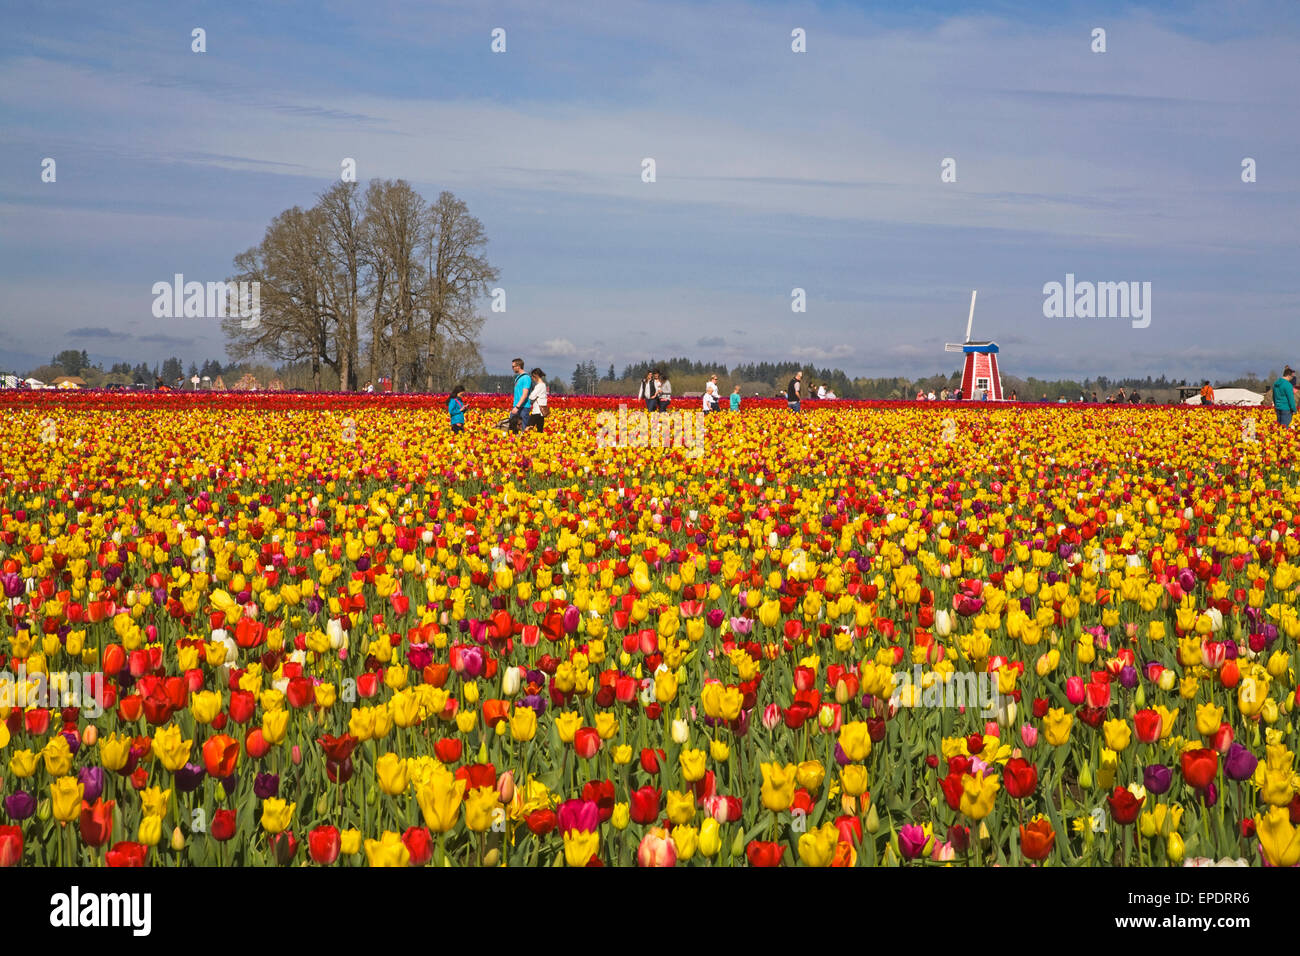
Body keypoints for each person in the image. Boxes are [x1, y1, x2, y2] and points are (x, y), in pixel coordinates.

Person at [508, 358, 531, 433]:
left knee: (523, 429)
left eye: (513, 366)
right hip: (516, 406)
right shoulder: (518, 378)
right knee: (513, 428)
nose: (512, 368)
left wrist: (517, 407)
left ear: (518, 366)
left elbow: (525, 394)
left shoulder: (526, 378)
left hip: (523, 407)